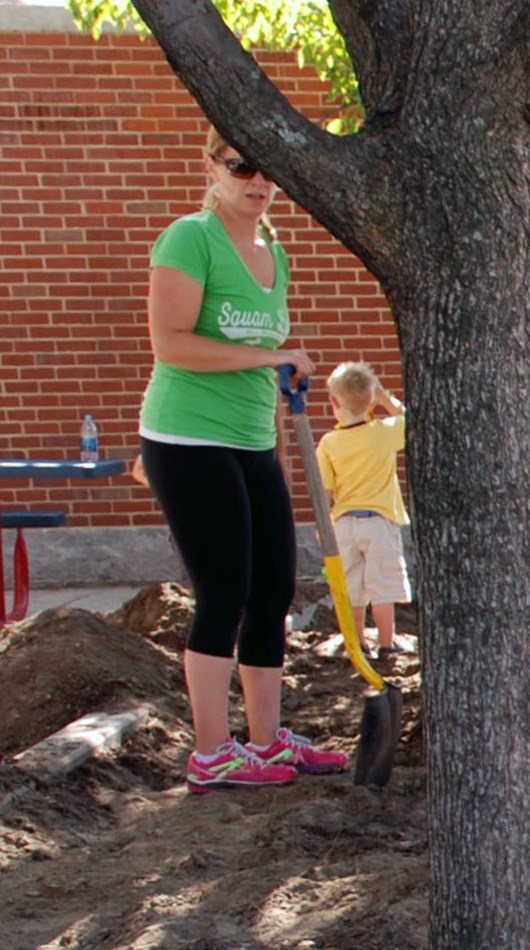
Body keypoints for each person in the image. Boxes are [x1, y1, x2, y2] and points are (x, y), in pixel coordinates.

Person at [137, 126, 341, 792]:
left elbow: (266, 367)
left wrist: (274, 448)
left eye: (269, 171)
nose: (258, 182)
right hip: (188, 438)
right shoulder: (189, 238)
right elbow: (171, 343)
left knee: (273, 589)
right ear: (212, 167)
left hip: (253, 442)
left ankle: (265, 739)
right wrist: (271, 355)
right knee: (223, 590)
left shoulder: (273, 250)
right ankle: (210, 753)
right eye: (242, 166)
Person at [315, 360, 410, 661]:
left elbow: (325, 492)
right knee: (382, 586)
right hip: (380, 522)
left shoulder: (328, 443)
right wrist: (384, 398)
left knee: (351, 587)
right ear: (370, 401)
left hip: (343, 523)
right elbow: (410, 419)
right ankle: (386, 642)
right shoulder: (383, 432)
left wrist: (323, 525)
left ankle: (356, 643)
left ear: (333, 402)